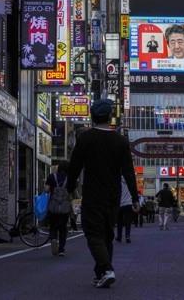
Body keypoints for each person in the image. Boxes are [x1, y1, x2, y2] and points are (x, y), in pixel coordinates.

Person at [67, 99, 139, 289]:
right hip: (113, 195)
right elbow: (128, 171)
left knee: (93, 233)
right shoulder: (120, 141)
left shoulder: (86, 138)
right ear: (109, 117)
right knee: (107, 234)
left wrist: (69, 187)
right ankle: (101, 274)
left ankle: (106, 269)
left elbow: (75, 166)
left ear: (92, 117)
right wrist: (134, 197)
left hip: (92, 194)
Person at [45, 161, 72, 257]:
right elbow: (72, 192)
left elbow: (46, 190)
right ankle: (61, 250)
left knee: (53, 225)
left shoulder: (52, 176)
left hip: (53, 206)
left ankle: (53, 239)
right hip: (64, 207)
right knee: (63, 228)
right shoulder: (69, 179)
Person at [116, 177, 133, 244]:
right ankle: (127, 236)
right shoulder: (130, 181)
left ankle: (119, 237)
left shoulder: (117, 181)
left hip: (119, 204)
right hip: (128, 204)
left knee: (119, 222)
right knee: (128, 222)